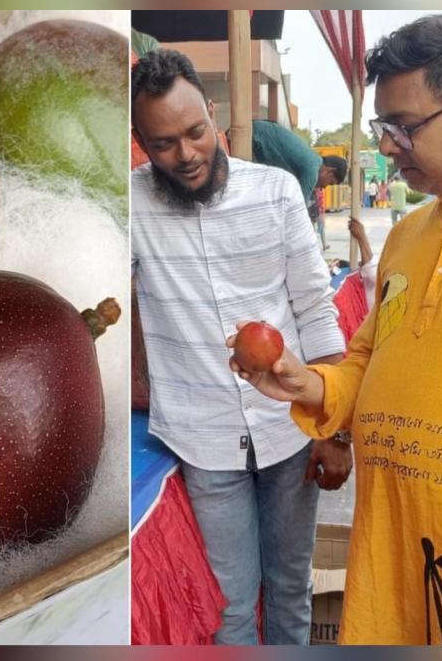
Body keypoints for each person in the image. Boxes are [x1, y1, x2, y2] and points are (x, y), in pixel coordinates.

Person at [228, 14, 442, 645]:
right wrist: (305, 383)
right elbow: (370, 353)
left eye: (403, 126)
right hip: (391, 552)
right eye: (381, 128)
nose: (388, 145)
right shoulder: (408, 237)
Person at [131, 49, 349, 646]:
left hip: (290, 430)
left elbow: (314, 308)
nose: (187, 154)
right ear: (141, 144)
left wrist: (331, 428)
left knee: (288, 589)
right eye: (164, 144)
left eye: (196, 132)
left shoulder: (277, 193)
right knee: (228, 608)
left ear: (213, 114)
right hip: (201, 440)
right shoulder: (130, 206)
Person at [249, 119, 347, 252]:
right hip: (253, 138)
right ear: (330, 171)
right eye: (330, 183)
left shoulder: (311, 159)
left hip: (255, 135)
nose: (324, 187)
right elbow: (297, 212)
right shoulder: (312, 170)